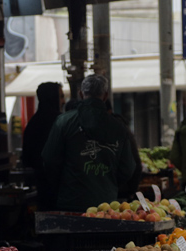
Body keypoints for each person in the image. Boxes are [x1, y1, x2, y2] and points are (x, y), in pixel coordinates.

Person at [41, 75, 136, 212]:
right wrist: (107, 184)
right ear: (105, 96)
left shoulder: (63, 122)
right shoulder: (118, 127)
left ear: (81, 94)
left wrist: (65, 185)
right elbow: (128, 168)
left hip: (71, 203)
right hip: (106, 206)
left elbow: (49, 160)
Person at [22, 82, 64, 210]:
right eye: (61, 96)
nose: (63, 101)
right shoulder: (61, 122)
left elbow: (27, 158)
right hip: (61, 188)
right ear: (53, 98)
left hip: (41, 189)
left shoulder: (33, 123)